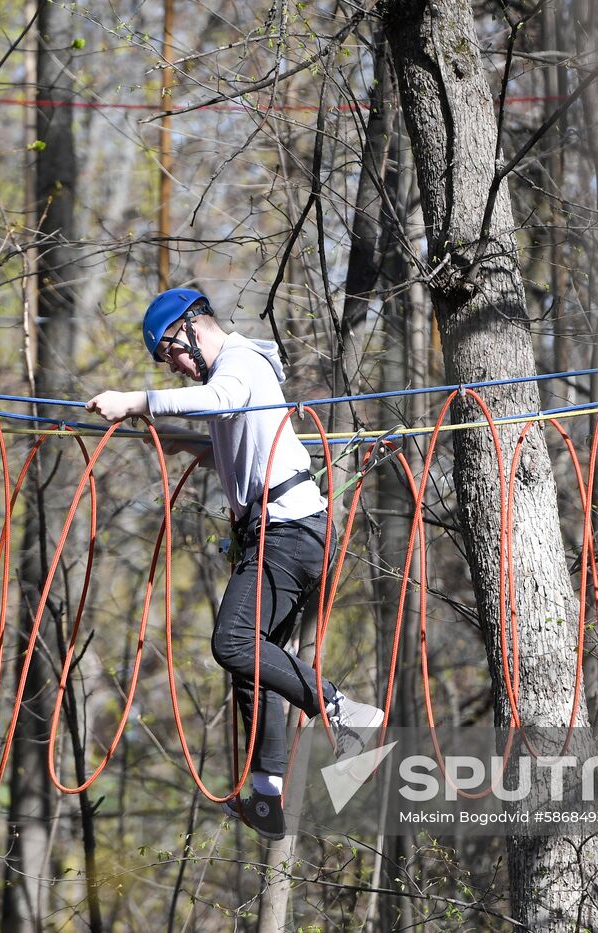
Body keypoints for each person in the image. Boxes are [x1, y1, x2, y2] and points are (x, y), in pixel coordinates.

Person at [86, 287, 384, 841]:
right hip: (276, 534)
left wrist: (136, 400)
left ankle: (345, 712)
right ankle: (268, 792)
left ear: (194, 328)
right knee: (252, 666)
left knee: (233, 644)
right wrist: (181, 441)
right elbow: (232, 431)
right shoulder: (231, 382)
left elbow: (221, 398)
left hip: (288, 533)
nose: (174, 367)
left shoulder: (241, 364)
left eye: (172, 352)